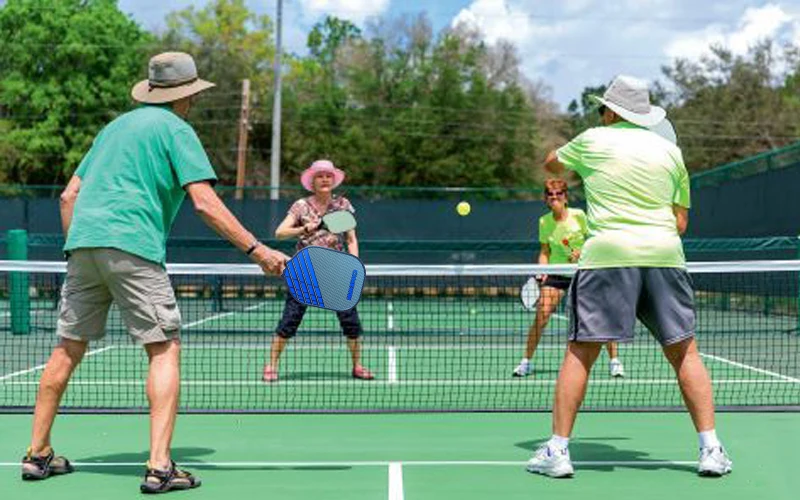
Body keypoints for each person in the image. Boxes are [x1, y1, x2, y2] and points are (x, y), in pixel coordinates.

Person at [20, 52, 288, 493]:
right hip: (133, 246)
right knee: (163, 348)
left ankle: (37, 454)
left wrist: (78, 249)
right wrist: (256, 250)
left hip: (82, 246)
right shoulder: (178, 130)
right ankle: (160, 466)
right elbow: (203, 201)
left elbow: (69, 196)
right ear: (187, 96)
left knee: (67, 348)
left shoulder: (112, 129)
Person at [526, 75, 732, 478]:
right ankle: (711, 449)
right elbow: (681, 222)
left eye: (603, 108)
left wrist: (576, 161)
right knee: (685, 352)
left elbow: (551, 165)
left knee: (581, 351)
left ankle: (558, 451)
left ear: (612, 111)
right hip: (665, 256)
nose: (600, 114)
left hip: (608, 257)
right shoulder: (671, 153)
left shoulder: (593, 140)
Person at [262, 160, 374, 383]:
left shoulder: (342, 205)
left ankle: (357, 366)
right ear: (312, 181)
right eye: (320, 176)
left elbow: (351, 239)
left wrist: (354, 265)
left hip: (337, 272)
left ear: (333, 180)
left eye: (328, 176)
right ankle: (271, 365)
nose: (324, 179)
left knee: (350, 321)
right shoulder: (301, 206)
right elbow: (280, 233)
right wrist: (304, 228)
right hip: (305, 271)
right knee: (290, 319)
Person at [512, 178, 625, 378]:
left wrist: (582, 251)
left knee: (600, 315)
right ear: (545, 199)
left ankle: (614, 361)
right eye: (550, 195)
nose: (554, 198)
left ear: (566, 197)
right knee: (542, 314)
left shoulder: (579, 216)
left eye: (558, 194)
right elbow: (544, 251)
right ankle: (526, 362)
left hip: (582, 272)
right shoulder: (544, 221)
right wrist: (541, 269)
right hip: (556, 274)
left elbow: (594, 239)